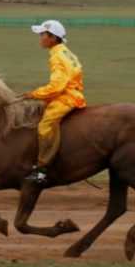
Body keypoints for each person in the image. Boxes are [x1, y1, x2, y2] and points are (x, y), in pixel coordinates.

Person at [24, 20, 87, 184]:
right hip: (71, 92)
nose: (40, 38)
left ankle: (42, 170)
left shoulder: (57, 57)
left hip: (67, 96)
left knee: (45, 126)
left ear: (52, 37)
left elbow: (57, 86)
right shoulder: (65, 52)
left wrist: (35, 93)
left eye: (42, 35)